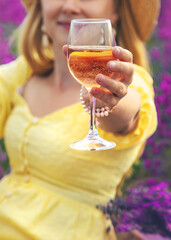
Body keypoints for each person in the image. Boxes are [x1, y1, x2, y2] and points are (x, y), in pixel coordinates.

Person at [0, 0, 160, 239]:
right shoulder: (25, 73)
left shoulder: (130, 81)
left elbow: (127, 114)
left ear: (116, 10)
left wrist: (111, 98)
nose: (71, 6)